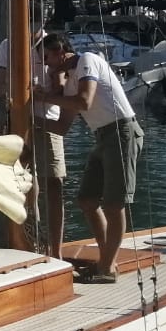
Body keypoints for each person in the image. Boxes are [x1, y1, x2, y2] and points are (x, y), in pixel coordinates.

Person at [36, 31, 145, 284]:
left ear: (60, 52)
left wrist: (46, 96)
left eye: (47, 58)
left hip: (121, 131)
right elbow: (62, 127)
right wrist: (32, 121)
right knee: (87, 200)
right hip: (101, 136)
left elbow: (85, 102)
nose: (46, 64)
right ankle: (108, 261)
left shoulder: (88, 59)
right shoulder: (71, 81)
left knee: (113, 203)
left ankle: (105, 267)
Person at [0, 21, 66, 256]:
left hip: (46, 119)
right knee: (19, 181)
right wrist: (0, 112)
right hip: (17, 119)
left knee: (54, 182)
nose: (28, 26)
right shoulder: (7, 44)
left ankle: (56, 249)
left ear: (41, 22)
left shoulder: (52, 44)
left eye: (33, 22)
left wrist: (42, 92)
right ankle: (26, 240)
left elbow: (61, 83)